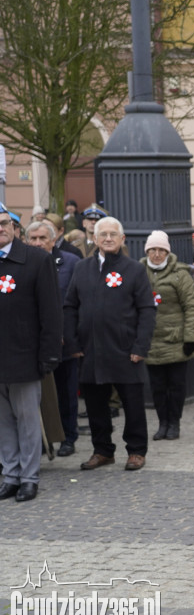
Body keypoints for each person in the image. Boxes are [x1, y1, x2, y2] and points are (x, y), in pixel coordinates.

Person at [64, 216, 156, 472]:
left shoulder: (134, 270)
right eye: (102, 234)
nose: (107, 238)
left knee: (133, 405)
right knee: (95, 405)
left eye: (113, 234)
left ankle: (136, 450)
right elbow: (70, 306)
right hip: (91, 349)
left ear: (122, 239)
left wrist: (140, 347)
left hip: (126, 351)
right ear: (94, 238)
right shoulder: (82, 268)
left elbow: (147, 310)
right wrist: (72, 342)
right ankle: (102, 450)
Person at [0, 205, 61, 502]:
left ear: (14, 227)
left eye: (4, 224)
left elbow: (50, 311)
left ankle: (28, 477)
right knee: (3, 423)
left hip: (24, 356)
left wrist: (49, 353)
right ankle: (10, 475)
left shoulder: (37, 260)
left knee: (27, 421)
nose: (0, 229)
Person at [25, 219, 82, 456]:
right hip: (31, 343)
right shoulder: (20, 263)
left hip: (65, 341)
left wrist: (71, 337)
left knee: (66, 392)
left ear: (53, 240)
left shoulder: (71, 263)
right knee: (35, 396)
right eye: (33, 239)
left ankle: (68, 436)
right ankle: (40, 438)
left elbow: (76, 303)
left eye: (42, 239)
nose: (38, 243)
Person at [142, 231, 194, 441]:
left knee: (175, 387)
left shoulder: (179, 273)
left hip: (175, 339)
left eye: (161, 250)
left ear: (167, 251)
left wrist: (190, 338)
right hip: (150, 340)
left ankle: (174, 423)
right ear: (147, 251)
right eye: (153, 250)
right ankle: (162, 423)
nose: (157, 254)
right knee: (157, 387)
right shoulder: (139, 271)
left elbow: (191, 307)